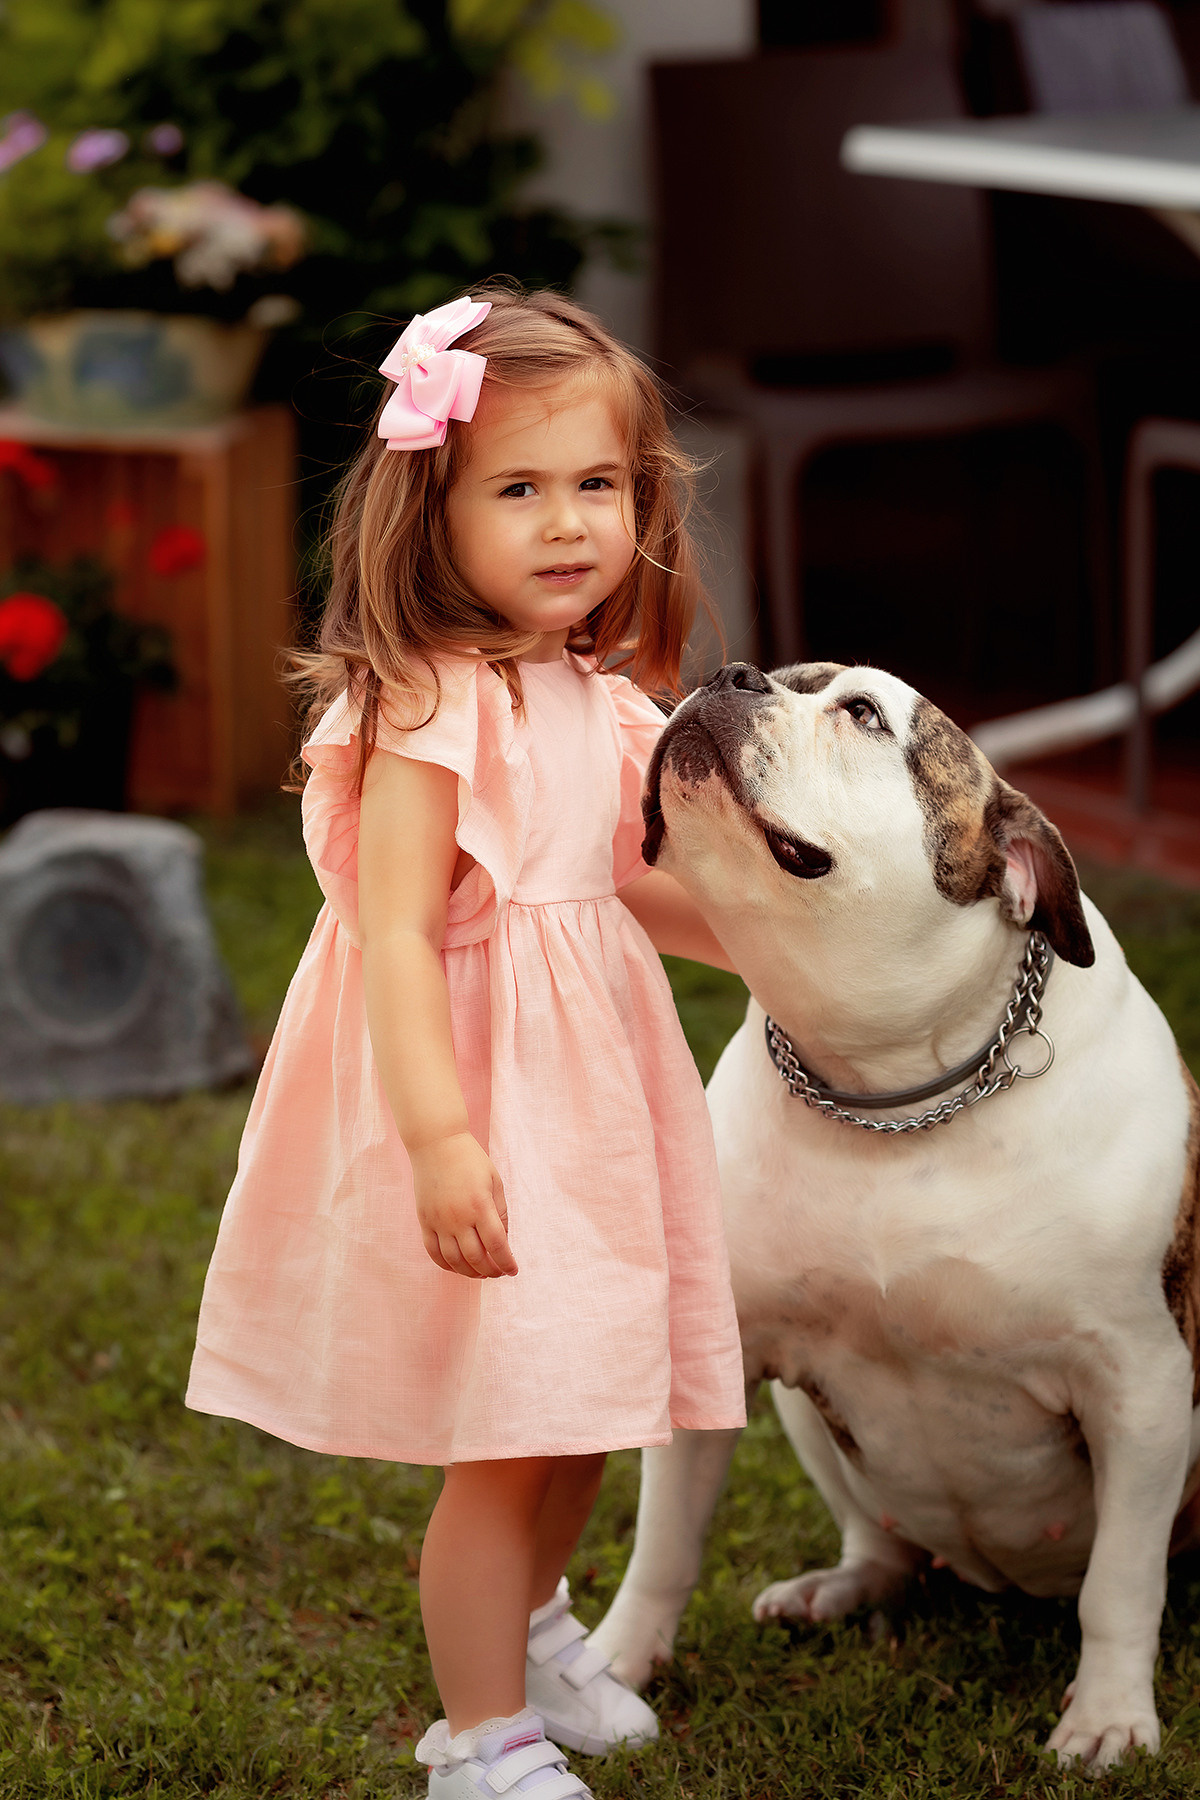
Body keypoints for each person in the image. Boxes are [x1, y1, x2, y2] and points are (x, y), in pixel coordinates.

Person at [186, 286, 746, 1800]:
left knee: (586, 1400)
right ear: (431, 513)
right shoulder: (430, 702)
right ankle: (477, 1737)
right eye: (518, 488)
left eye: (599, 486)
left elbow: (631, 879)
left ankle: (541, 1627)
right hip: (483, 1089)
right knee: (510, 1427)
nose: (568, 525)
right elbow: (391, 930)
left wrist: (773, 956)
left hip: (598, 1099)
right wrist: (440, 1136)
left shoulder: (594, 690)